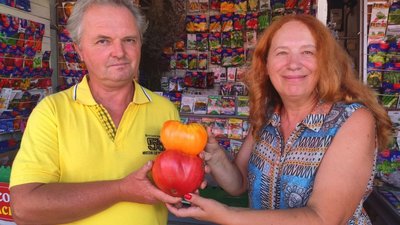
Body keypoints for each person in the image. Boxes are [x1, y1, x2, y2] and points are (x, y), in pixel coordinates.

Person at [167, 14, 393, 225]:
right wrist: (215, 156)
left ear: (325, 62)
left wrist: (228, 214)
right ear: (266, 65)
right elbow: (239, 183)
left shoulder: (352, 120)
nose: (293, 64)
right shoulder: (267, 115)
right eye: (282, 52)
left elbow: (323, 218)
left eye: (308, 52)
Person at [9, 1, 181, 225]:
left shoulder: (165, 110)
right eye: (103, 41)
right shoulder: (52, 112)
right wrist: (120, 190)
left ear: (140, 44)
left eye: (129, 40)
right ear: (79, 49)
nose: (119, 52)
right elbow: (24, 208)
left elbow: (175, 185)